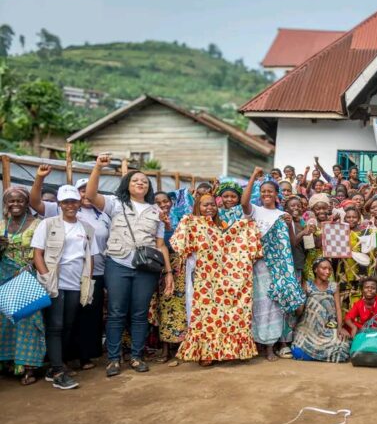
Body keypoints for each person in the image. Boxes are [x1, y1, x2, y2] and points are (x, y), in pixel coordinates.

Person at [85, 154, 174, 377]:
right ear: (127, 184)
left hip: (146, 270)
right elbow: (90, 194)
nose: (140, 183)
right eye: (135, 180)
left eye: (144, 181)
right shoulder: (115, 203)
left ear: (149, 187)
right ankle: (114, 360)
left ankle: (136, 357)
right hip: (118, 263)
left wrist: (169, 272)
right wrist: (98, 167)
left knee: (140, 314)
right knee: (116, 312)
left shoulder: (157, 212)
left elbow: (161, 245)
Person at [30, 168, 111, 370]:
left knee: (69, 324)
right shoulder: (48, 224)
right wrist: (46, 278)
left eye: (73, 201)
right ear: (59, 204)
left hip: (76, 283)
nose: (70, 205)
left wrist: (88, 283)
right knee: (55, 325)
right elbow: (37, 254)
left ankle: (61, 361)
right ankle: (57, 367)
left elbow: (89, 257)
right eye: (65, 202)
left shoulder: (87, 227)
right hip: (55, 281)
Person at [171, 194, 261, 365]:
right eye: (205, 205)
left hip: (226, 279)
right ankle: (206, 353)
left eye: (212, 205)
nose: (210, 208)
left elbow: (233, 243)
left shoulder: (223, 225)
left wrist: (246, 227)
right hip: (203, 278)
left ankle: (229, 351)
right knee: (203, 315)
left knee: (228, 315)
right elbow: (179, 246)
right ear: (198, 206)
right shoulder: (191, 224)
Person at [243, 169, 306, 361]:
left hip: (278, 268)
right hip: (259, 266)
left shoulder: (282, 215)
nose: (266, 194)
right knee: (258, 305)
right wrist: (253, 176)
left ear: (276, 194)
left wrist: (290, 223)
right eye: (263, 192)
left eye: (270, 191)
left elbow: (292, 242)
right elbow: (243, 202)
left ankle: (270, 346)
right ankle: (257, 344)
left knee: (274, 306)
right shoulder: (254, 210)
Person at [0, 187, 46, 386]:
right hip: (4, 278)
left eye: (20, 201)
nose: (15, 204)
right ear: (6, 204)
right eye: (11, 201)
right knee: (5, 321)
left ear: (27, 203)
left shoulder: (38, 224)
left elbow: (45, 252)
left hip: (28, 277)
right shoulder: (1, 224)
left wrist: (30, 268)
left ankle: (28, 367)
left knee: (28, 321)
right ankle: (9, 363)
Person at [147, 191, 187, 364]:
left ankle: (179, 346)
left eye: (166, 201)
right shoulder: (149, 217)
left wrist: (169, 226)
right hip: (157, 265)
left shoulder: (181, 216)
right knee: (162, 307)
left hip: (178, 265)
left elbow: (180, 241)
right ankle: (164, 348)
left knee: (179, 306)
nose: (163, 204)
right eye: (158, 202)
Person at [291, 257, 351, 362]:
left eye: (329, 269)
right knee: (297, 351)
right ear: (315, 270)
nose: (327, 272)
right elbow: (300, 311)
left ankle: (315, 355)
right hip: (308, 328)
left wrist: (340, 328)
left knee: (343, 350)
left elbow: (338, 309)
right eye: (324, 268)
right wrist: (298, 300)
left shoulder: (333, 286)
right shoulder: (307, 285)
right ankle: (322, 355)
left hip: (328, 327)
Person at [343, 276, 377, 358]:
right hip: (365, 332)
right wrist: (354, 327)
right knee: (347, 326)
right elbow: (348, 318)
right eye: (366, 287)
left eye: (373, 288)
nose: (369, 289)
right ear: (362, 290)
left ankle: (372, 349)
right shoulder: (358, 304)